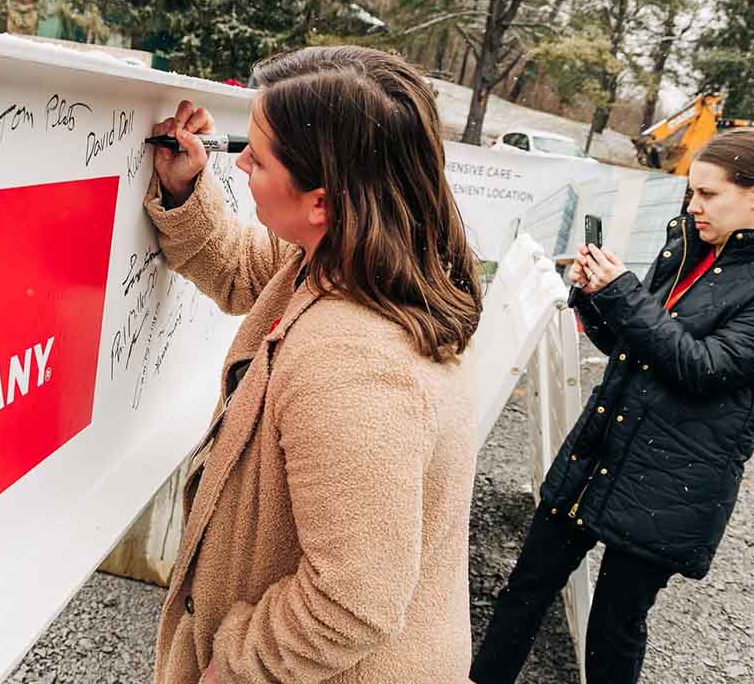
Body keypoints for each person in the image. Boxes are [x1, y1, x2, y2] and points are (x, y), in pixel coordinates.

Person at [144, 46, 483, 684]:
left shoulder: (350, 359)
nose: (239, 160)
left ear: (322, 200)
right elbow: (244, 269)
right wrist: (189, 189)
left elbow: (353, 601)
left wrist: (233, 667)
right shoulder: (359, 257)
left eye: (259, 155)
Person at [470, 127, 754, 683]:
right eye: (690, 193)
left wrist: (622, 291)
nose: (693, 206)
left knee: (614, 627)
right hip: (602, 448)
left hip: (674, 480)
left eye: (709, 195)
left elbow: (705, 368)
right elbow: (632, 348)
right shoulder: (683, 250)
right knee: (526, 587)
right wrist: (595, 295)